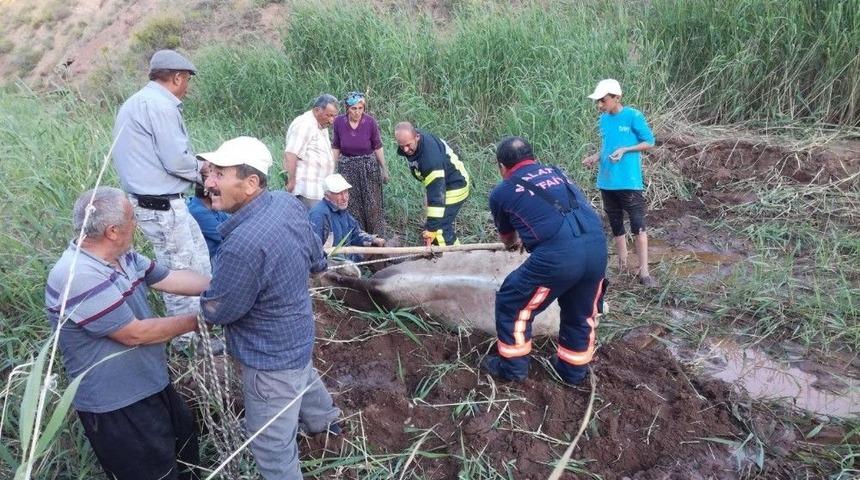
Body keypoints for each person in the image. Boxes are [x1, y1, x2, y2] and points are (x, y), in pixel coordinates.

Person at [197, 137, 341, 480]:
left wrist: (205, 303)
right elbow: (316, 258)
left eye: (219, 174)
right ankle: (327, 423)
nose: (209, 182)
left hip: (268, 361)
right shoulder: (285, 203)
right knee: (302, 374)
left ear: (249, 183)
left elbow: (219, 311)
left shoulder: (241, 245)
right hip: (296, 333)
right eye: (210, 172)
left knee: (272, 448)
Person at [45, 187, 210, 480]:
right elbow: (135, 334)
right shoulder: (78, 275)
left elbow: (172, 279)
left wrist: (225, 288)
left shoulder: (124, 257)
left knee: (186, 458)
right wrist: (204, 319)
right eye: (132, 218)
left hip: (152, 385)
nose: (136, 224)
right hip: (118, 406)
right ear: (112, 231)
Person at [481, 137, 608, 385]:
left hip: (558, 256)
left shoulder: (501, 192)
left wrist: (515, 242)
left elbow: (508, 239)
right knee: (581, 311)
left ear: (501, 167)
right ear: (533, 158)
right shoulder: (556, 172)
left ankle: (512, 368)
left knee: (512, 301)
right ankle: (572, 372)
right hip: (597, 247)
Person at [111, 49, 211, 318]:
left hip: (158, 202)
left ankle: (206, 321)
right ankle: (187, 343)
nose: (188, 88)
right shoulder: (160, 105)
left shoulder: (137, 102)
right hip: (161, 206)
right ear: (178, 78)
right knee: (180, 273)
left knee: (199, 259)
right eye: (188, 80)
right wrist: (206, 170)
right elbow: (176, 161)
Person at [582, 79, 656, 287]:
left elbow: (649, 142)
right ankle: (623, 266)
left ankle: (644, 272)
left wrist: (625, 150)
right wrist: (595, 157)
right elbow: (607, 146)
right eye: (598, 101)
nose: (599, 105)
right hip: (607, 181)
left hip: (629, 182)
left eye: (603, 100)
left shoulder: (633, 116)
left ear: (616, 98)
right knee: (615, 225)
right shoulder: (604, 120)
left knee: (638, 226)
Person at [394, 122, 470, 246]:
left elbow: (437, 196)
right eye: (402, 146)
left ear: (417, 137)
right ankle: (450, 252)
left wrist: (431, 229)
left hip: (456, 185)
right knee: (433, 226)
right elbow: (431, 185)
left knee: (438, 229)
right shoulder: (416, 143)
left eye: (408, 145)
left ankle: (453, 260)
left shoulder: (430, 159)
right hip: (442, 184)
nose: (406, 150)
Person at [331, 91, 388, 235]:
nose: (357, 112)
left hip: (368, 168)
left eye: (360, 108)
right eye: (353, 109)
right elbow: (336, 146)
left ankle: (377, 238)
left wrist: (384, 169)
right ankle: (360, 238)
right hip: (348, 168)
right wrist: (332, 170)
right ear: (347, 109)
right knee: (353, 205)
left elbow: (377, 146)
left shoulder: (370, 122)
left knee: (373, 204)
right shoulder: (339, 122)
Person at [309, 173, 385, 262]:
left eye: (345, 192)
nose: (344, 198)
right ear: (327, 195)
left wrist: (372, 239)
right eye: (339, 194)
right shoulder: (319, 215)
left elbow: (355, 233)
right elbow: (314, 250)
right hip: (331, 264)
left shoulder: (341, 210)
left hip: (347, 260)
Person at [284, 94, 339, 210]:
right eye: (328, 115)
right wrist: (291, 181)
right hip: (307, 191)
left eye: (334, 116)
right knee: (311, 224)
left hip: (318, 189)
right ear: (317, 110)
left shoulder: (320, 126)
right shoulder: (305, 124)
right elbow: (291, 154)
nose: (331, 120)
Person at [187, 164, 230, 260]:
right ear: (207, 191)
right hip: (213, 258)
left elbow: (231, 224)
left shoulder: (212, 206)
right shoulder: (197, 212)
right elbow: (225, 236)